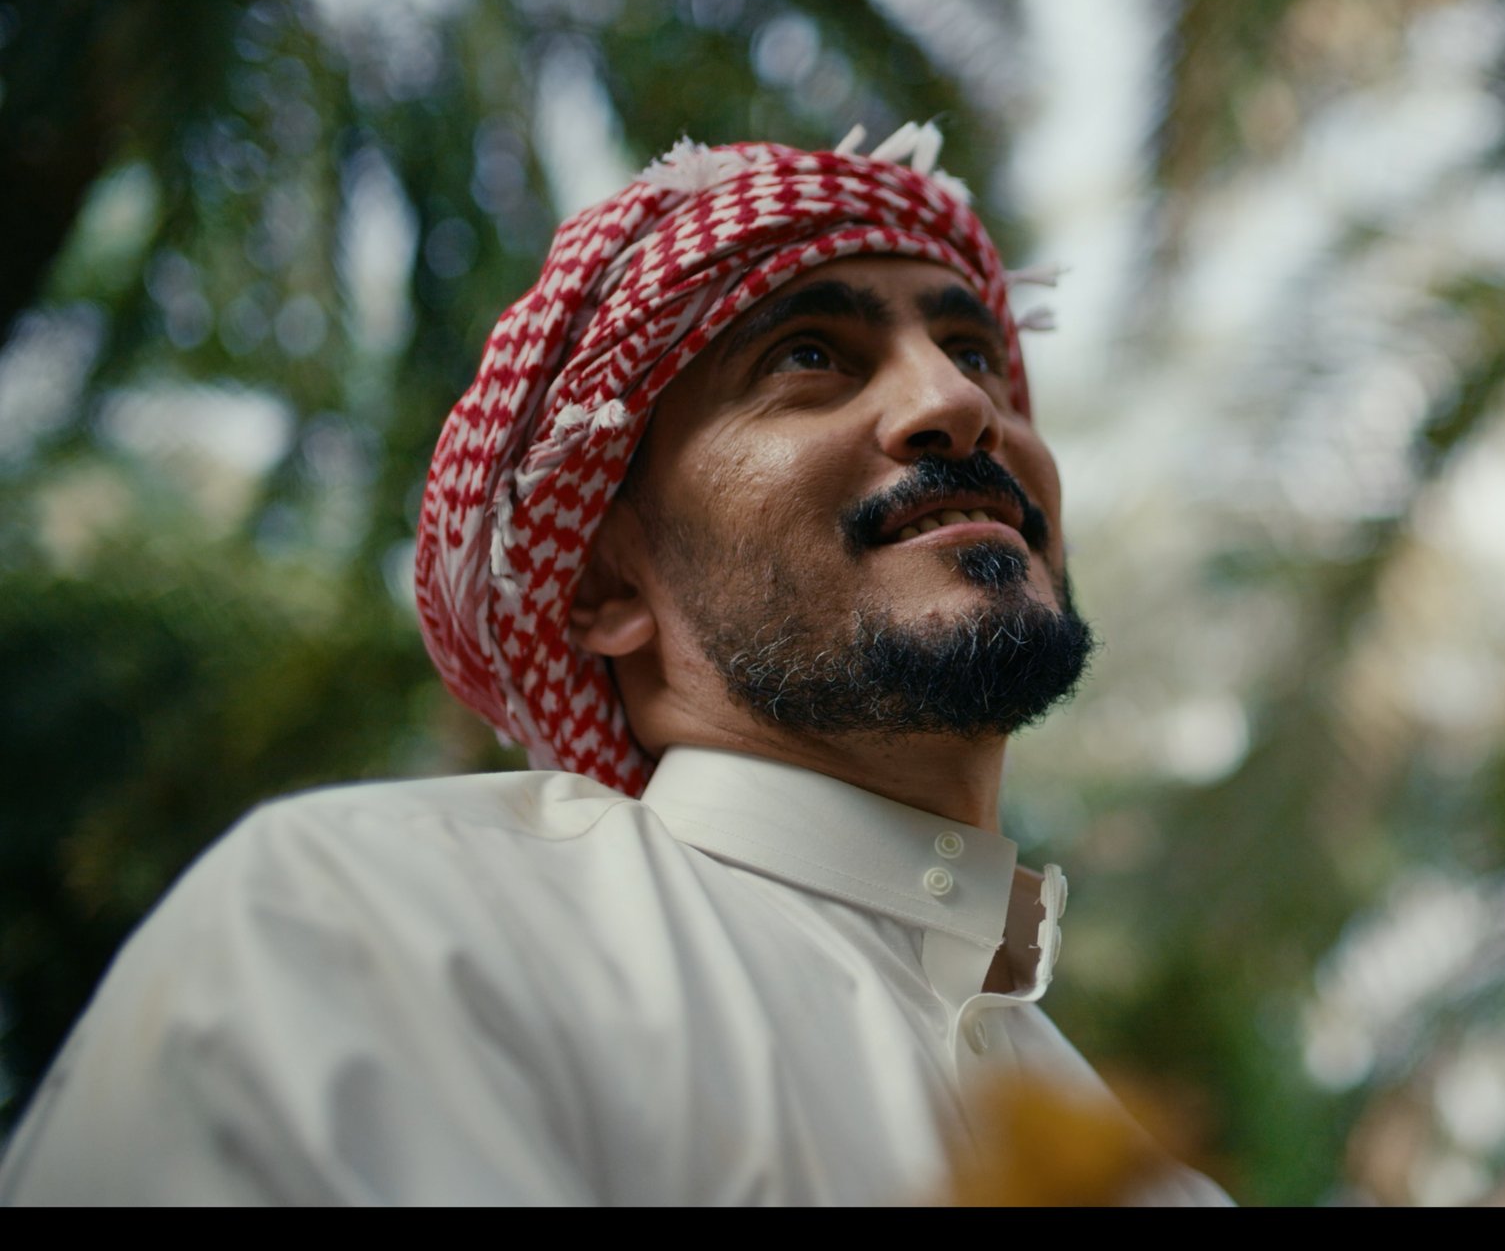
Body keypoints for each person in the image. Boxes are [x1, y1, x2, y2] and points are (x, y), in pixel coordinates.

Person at [0, 126, 1230, 1206]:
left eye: (972, 349)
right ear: (603, 586)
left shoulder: (1151, 1175)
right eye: (808, 356)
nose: (957, 403)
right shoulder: (379, 926)